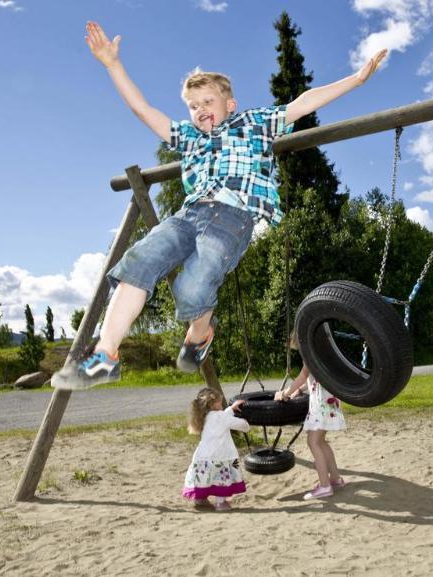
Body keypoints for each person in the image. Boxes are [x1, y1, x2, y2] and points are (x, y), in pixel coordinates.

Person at [52, 21, 387, 389]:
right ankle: (106, 356)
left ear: (230, 104)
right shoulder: (189, 137)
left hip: (232, 216)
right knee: (138, 261)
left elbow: (302, 103)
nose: (200, 110)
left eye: (207, 102)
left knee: (192, 289)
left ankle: (200, 334)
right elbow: (143, 110)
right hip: (189, 214)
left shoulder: (254, 122)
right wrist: (113, 64)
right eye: (193, 106)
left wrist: (355, 79)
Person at [275, 333, 346, 500]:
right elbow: (317, 378)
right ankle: (335, 479)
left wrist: (285, 393)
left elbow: (303, 375)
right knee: (321, 441)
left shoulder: (310, 352)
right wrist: (299, 391)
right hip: (328, 402)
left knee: (313, 442)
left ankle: (324, 486)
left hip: (321, 404)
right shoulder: (323, 351)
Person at [183, 387, 250, 511]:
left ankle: (200, 499)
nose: (222, 403)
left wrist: (231, 409)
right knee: (221, 478)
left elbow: (221, 417)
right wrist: (245, 423)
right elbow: (241, 426)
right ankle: (220, 503)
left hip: (203, 456)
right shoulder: (221, 417)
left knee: (205, 478)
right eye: (220, 401)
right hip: (221, 456)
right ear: (213, 404)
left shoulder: (205, 416)